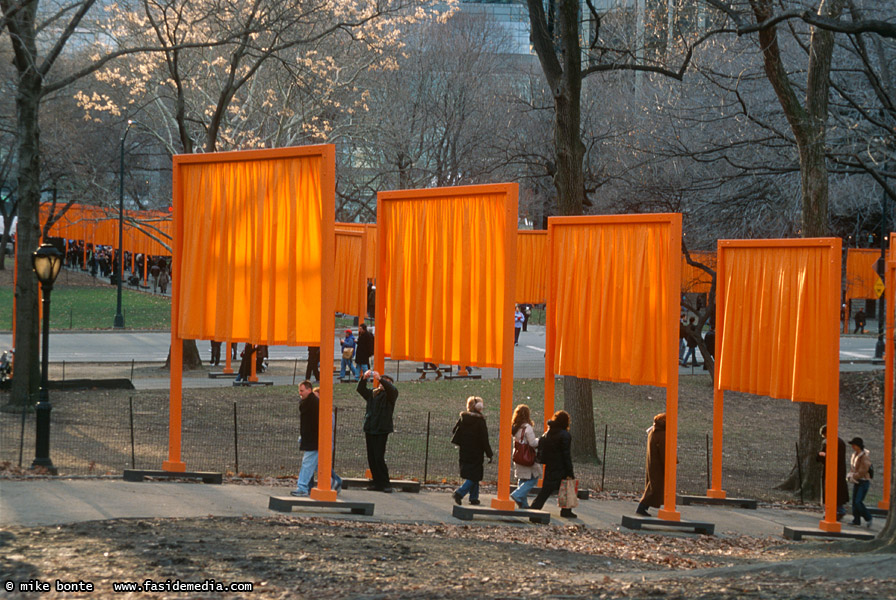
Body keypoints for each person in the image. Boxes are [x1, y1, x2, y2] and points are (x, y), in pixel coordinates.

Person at [291, 381, 341, 497]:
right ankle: (333, 482)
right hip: (314, 439)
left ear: (309, 390)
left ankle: (302, 487)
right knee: (318, 465)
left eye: (302, 390)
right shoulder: (311, 403)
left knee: (308, 463)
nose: (300, 393)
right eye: (300, 390)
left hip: (314, 440)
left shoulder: (313, 403)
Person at [529, 410, 576, 518]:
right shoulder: (565, 435)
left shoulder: (548, 432)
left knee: (546, 490)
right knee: (567, 489)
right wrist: (570, 471)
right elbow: (566, 455)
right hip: (561, 467)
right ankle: (566, 511)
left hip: (550, 465)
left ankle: (534, 509)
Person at [357, 370, 398, 492]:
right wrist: (364, 378)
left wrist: (381, 379)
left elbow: (391, 389)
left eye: (386, 381)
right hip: (370, 428)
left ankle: (385, 483)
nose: (382, 384)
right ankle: (376, 482)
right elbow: (361, 390)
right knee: (372, 457)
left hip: (381, 429)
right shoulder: (373, 394)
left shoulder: (391, 395)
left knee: (379, 457)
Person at [450, 396, 494, 506]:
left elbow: (454, 431)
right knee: (475, 475)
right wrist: (489, 454)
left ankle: (474, 498)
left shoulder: (463, 417)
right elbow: (484, 439)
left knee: (473, 474)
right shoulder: (480, 421)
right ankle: (459, 493)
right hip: (476, 452)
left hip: (464, 450)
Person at [509, 404, 540, 509]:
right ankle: (517, 494)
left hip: (518, 455)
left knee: (522, 478)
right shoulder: (527, 428)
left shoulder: (515, 427)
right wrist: (540, 440)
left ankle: (523, 503)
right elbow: (532, 443)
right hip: (527, 457)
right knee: (533, 478)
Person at [636, 413, 666, 517]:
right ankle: (642, 507)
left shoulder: (653, 431)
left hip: (653, 462)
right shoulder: (662, 435)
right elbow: (664, 451)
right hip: (659, 464)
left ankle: (644, 506)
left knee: (652, 485)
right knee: (655, 487)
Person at [816, 425, 848, 520]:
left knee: (832, 491)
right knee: (836, 491)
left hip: (833, 471)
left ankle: (836, 510)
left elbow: (834, 458)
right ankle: (838, 510)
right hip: (837, 471)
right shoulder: (838, 442)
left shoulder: (832, 443)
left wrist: (823, 456)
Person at [847, 436, 873, 528]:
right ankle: (856, 519)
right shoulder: (855, 455)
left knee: (858, 502)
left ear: (859, 446)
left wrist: (853, 476)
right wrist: (851, 474)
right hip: (857, 481)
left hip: (863, 481)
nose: (853, 447)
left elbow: (863, 470)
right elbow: (853, 467)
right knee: (854, 501)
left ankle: (868, 517)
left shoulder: (864, 456)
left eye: (854, 445)